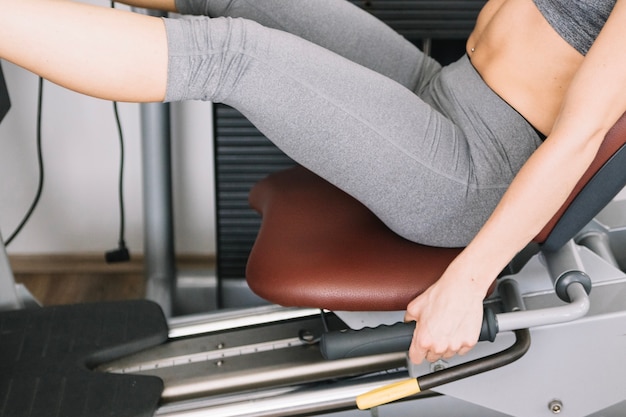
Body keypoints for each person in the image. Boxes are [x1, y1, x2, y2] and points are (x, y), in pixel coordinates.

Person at [1, 0, 625, 365]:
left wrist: (467, 283)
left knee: (235, 54)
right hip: (442, 86)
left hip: (471, 170)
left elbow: (580, 137)